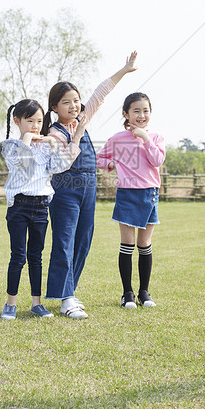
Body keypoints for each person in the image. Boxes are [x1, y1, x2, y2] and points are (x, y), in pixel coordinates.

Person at [43, 51, 139, 319]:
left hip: (88, 188)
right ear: (54, 108)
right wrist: (78, 133)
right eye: (66, 102)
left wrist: (124, 69)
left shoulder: (82, 116)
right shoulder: (55, 133)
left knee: (84, 240)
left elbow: (101, 92)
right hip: (65, 190)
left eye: (76, 100)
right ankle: (66, 298)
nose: (74, 106)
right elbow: (60, 163)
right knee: (64, 242)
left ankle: (69, 292)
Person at [0, 99, 88, 320]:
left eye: (39, 121)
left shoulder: (44, 147)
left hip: (40, 207)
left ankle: (36, 304)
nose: (35, 126)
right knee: (18, 256)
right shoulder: (11, 146)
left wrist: (74, 138)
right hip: (19, 207)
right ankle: (10, 303)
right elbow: (26, 166)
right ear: (17, 121)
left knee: (36, 257)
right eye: (29, 121)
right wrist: (28, 140)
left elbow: (60, 165)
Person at [96, 92, 166, 309]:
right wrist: (111, 165)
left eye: (146, 110)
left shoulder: (155, 138)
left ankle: (144, 292)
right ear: (126, 114)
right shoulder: (117, 139)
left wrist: (145, 138)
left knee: (144, 244)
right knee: (127, 244)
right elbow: (99, 158)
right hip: (127, 194)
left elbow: (157, 160)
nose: (141, 115)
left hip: (149, 194)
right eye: (136, 110)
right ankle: (127, 293)